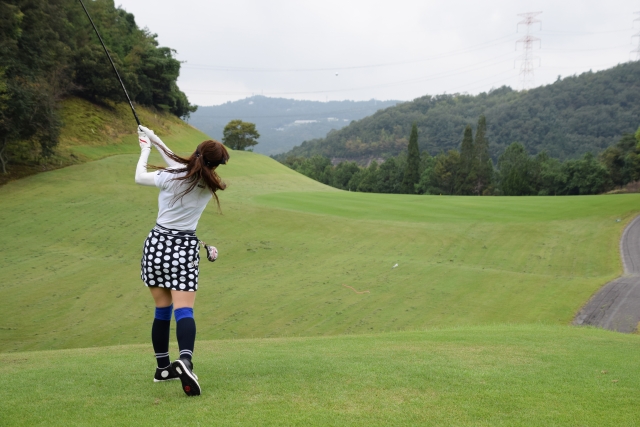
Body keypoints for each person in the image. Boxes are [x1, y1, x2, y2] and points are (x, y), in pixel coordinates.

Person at [134, 125, 229, 396]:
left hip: (156, 245)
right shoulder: (210, 184)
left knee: (162, 309)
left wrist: (145, 149)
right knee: (184, 310)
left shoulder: (170, 176)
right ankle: (185, 360)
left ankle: (163, 368)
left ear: (197, 154)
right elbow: (178, 160)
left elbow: (141, 176)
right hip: (184, 248)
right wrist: (153, 136)